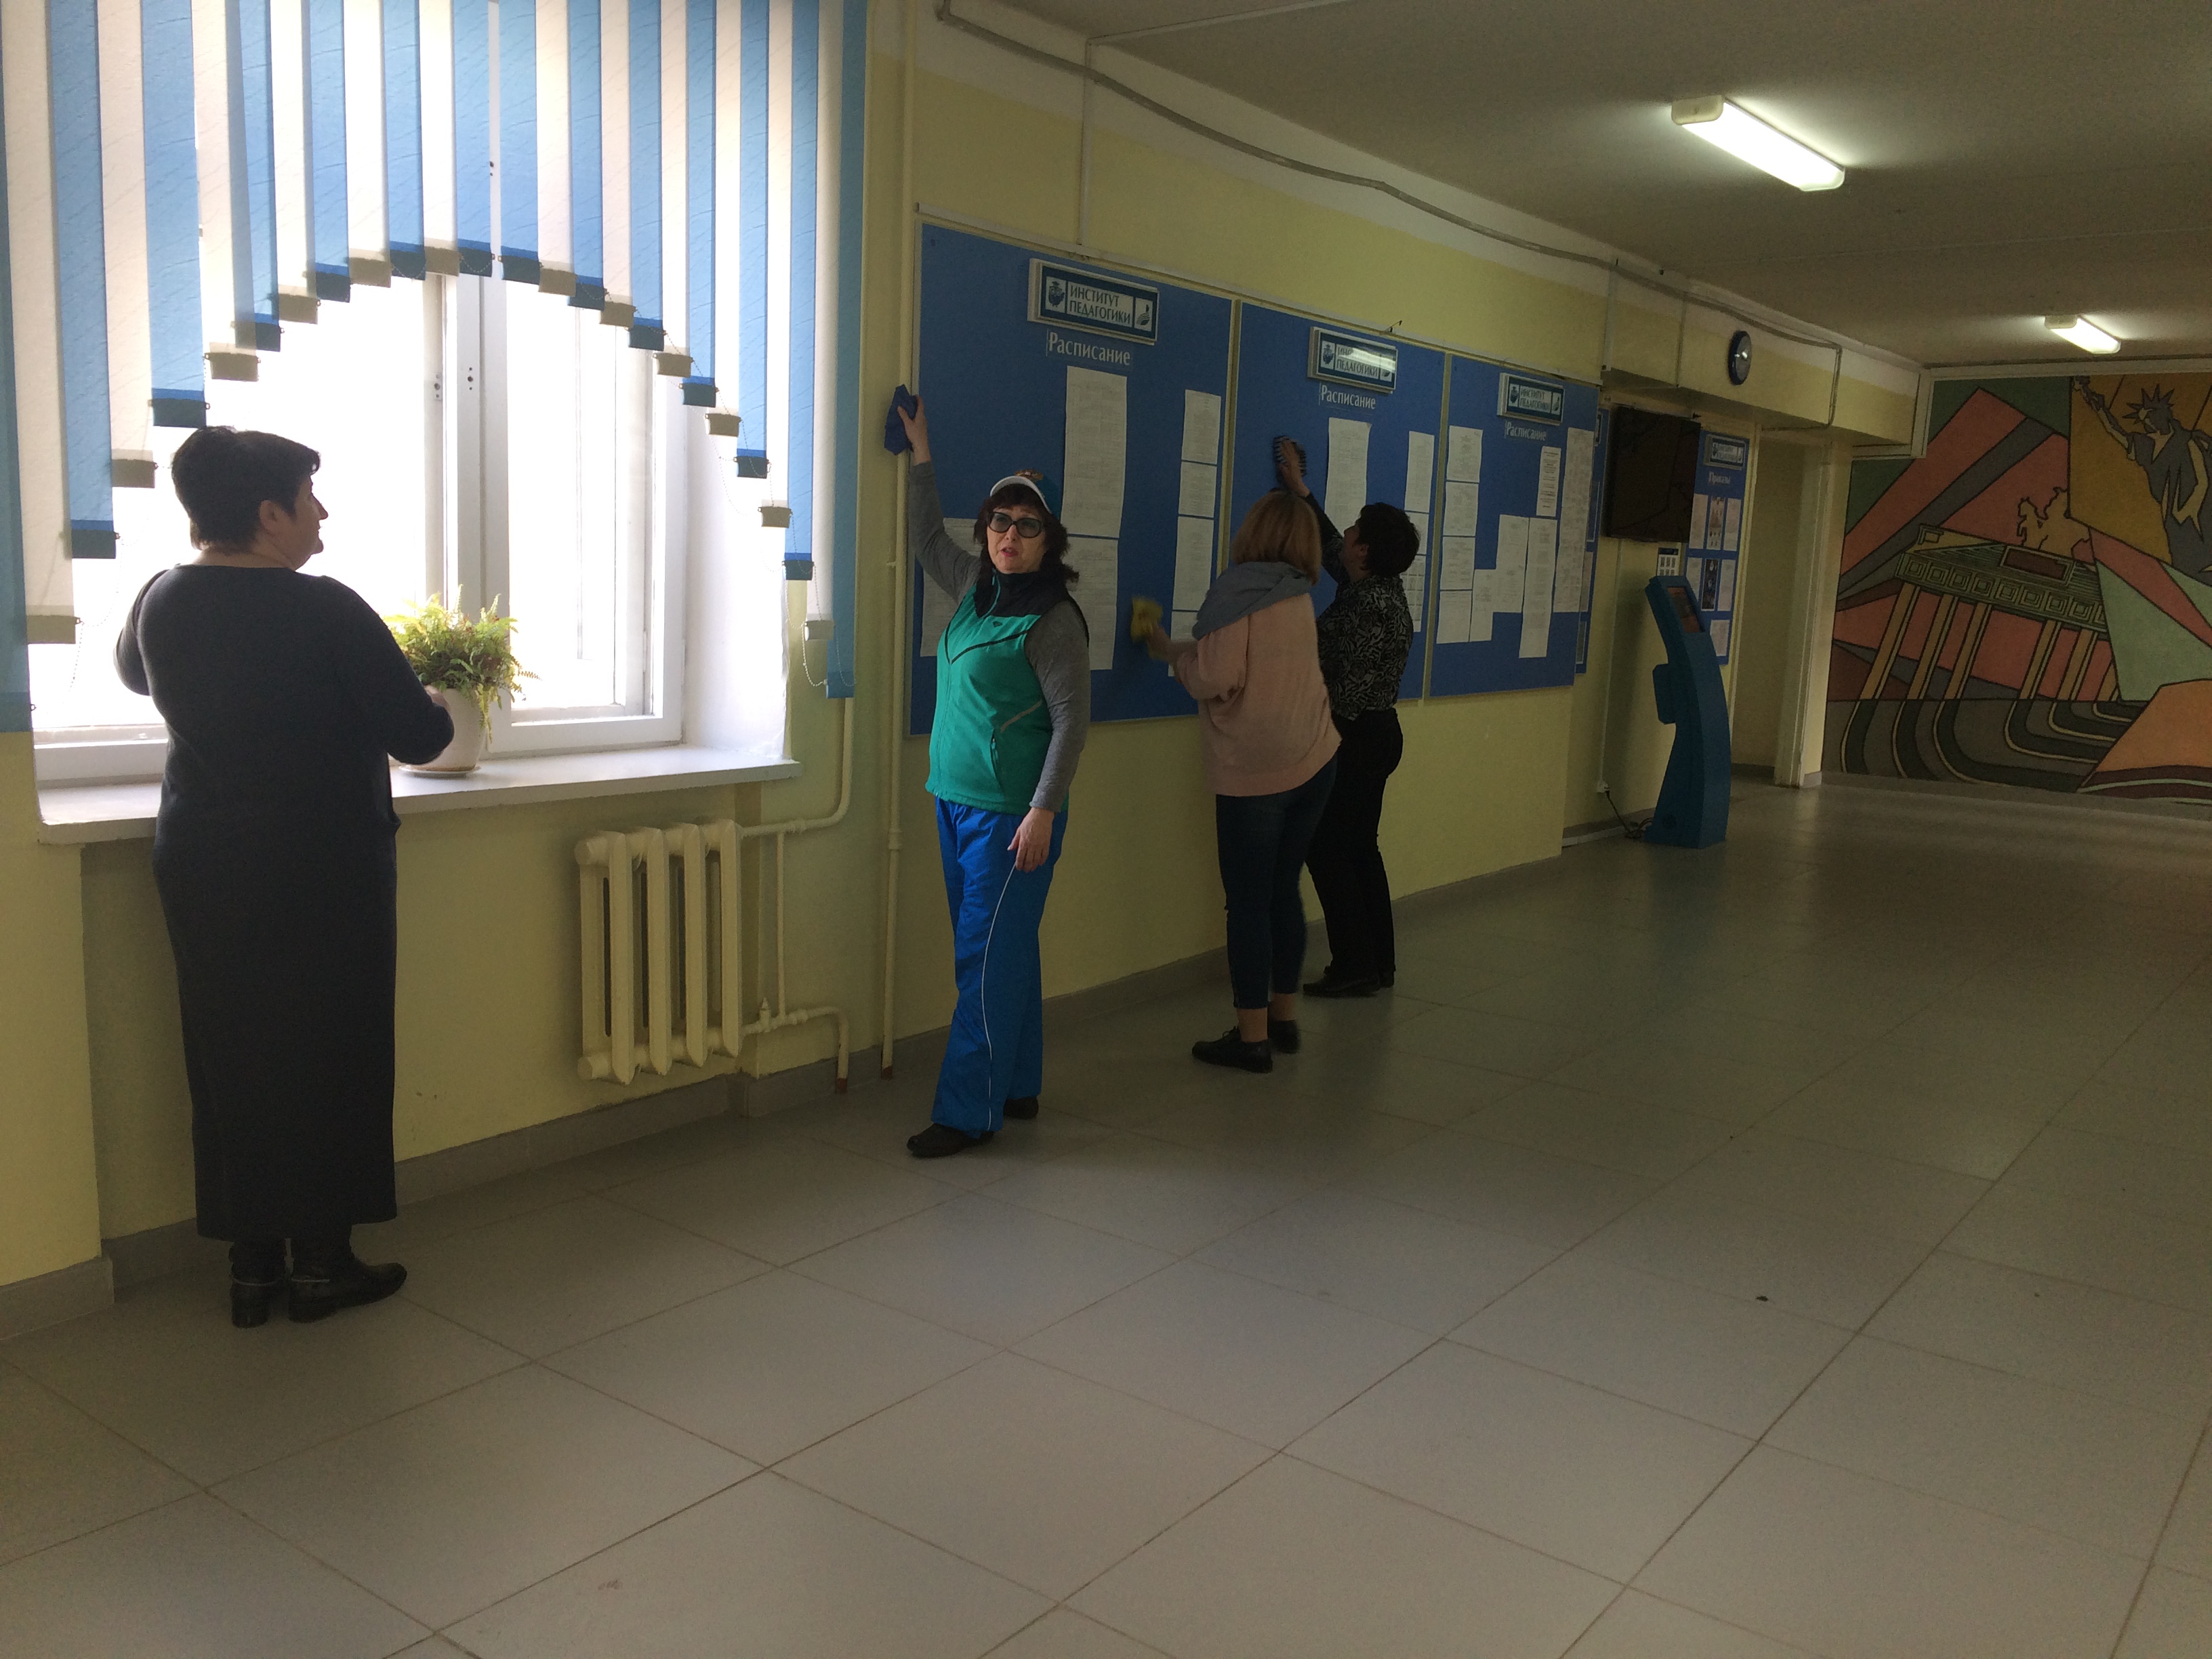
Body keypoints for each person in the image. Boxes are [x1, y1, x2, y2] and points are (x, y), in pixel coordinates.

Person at [116, 427, 455, 1328]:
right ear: (270, 515)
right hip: (321, 866)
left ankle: (253, 1267)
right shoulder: (326, 609)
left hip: (202, 862)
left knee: (230, 1055)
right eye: (309, 498)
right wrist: (431, 700)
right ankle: (323, 1266)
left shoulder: (159, 597)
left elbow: (134, 677)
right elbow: (421, 737)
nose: (322, 513)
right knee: (331, 1054)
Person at [895, 395, 1091, 1157]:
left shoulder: (1052, 621)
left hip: (1011, 817)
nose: (1011, 535)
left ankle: (967, 1112)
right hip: (954, 802)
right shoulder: (976, 590)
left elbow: (1071, 723)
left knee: (983, 958)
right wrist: (922, 452)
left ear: (1050, 540)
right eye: (1000, 522)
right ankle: (1016, 1083)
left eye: (1028, 525)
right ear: (985, 531)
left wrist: (1043, 811)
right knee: (1005, 951)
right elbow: (924, 539)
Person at [1143, 490, 1338, 1073]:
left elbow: (1217, 676)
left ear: (1253, 531)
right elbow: (1244, 656)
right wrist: (1177, 650)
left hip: (1257, 773)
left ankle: (1250, 1039)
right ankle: (1283, 1019)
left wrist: (1179, 662)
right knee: (1282, 891)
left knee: (1248, 904)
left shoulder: (1238, 589)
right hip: (1314, 760)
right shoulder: (1296, 594)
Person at [1275, 439, 1418, 997]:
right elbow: (1332, 545)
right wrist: (1301, 492)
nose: (1349, 534)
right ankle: (1378, 962)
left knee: (1329, 848)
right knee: (1360, 847)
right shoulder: (1378, 585)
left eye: (1358, 530)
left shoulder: (1367, 608)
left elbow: (1343, 690)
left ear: (1366, 551)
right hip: (1375, 734)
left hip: (1356, 736)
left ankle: (1355, 965)